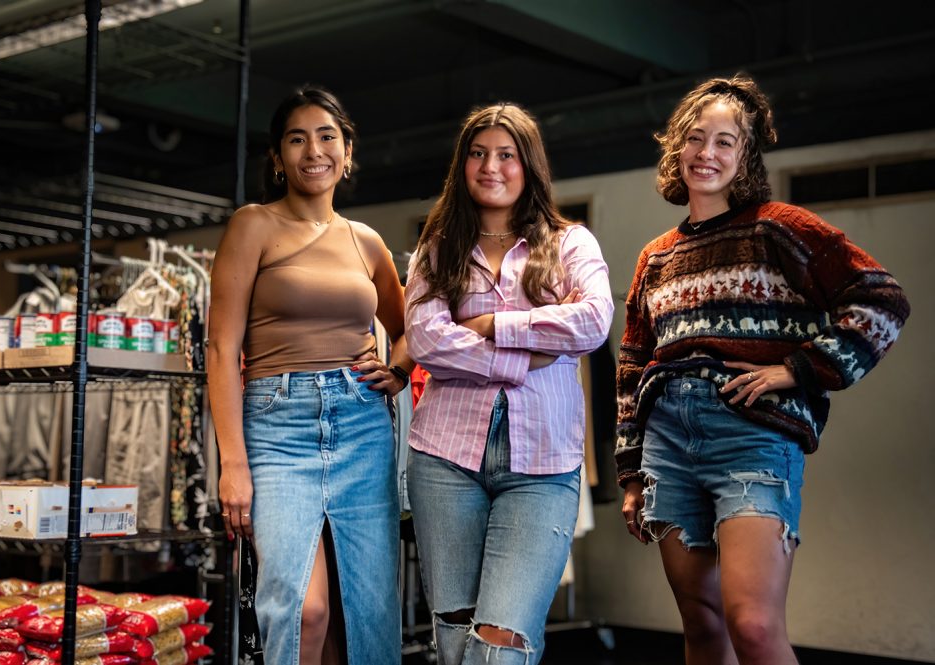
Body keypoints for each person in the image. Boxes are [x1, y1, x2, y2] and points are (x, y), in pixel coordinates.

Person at [616, 73, 910, 664]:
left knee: (751, 624)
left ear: (746, 155)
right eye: (696, 139)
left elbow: (882, 300)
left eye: (726, 141)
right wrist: (628, 471)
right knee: (701, 627)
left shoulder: (782, 228)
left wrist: (799, 369)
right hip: (667, 443)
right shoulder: (656, 256)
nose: (708, 153)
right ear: (677, 148)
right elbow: (632, 364)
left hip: (750, 434)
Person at [208, 85, 411, 665]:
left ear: (348, 152)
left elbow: (410, 330)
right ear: (277, 157)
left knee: (367, 610)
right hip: (276, 423)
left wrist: (396, 371)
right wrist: (233, 464)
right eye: (296, 139)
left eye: (327, 137)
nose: (313, 150)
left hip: (362, 423)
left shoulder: (366, 242)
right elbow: (222, 350)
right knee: (300, 608)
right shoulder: (252, 226)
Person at [405, 103, 613, 664]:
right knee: (453, 637)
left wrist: (496, 325)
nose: (490, 166)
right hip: (444, 460)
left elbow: (593, 321)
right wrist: (525, 358)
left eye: (506, 154)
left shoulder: (571, 243)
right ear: (461, 164)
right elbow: (427, 340)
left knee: (502, 645)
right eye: (478, 153)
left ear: (529, 165)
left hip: (542, 469)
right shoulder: (438, 246)